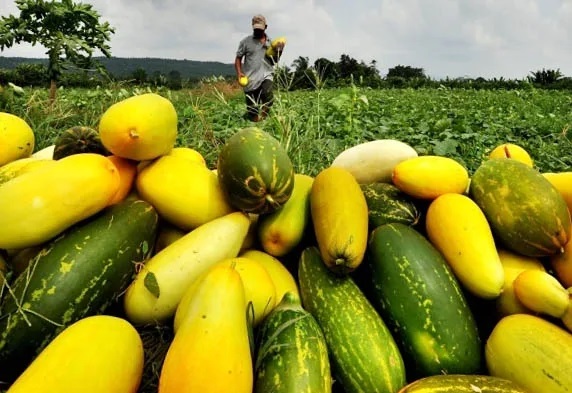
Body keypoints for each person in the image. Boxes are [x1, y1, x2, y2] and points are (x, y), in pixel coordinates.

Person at [235, 14, 285, 122]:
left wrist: (279, 52)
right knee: (252, 110)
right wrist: (239, 73)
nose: (257, 31)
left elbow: (274, 62)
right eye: (256, 29)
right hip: (250, 79)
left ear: (265, 27)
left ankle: (262, 120)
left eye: (260, 29)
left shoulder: (271, 43)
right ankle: (255, 122)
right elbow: (238, 59)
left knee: (269, 97)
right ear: (252, 26)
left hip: (266, 74)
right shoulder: (245, 42)